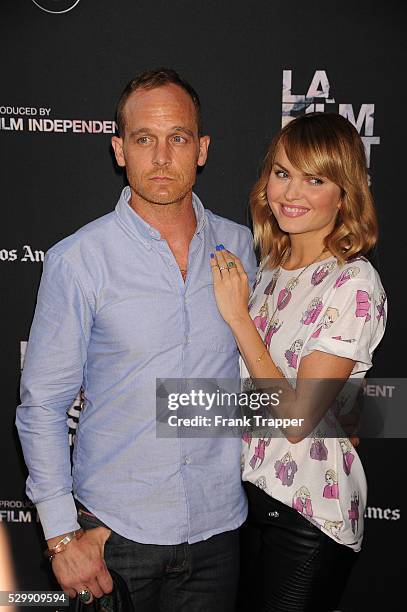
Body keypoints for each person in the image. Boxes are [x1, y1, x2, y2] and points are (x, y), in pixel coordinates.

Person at [16, 68, 257, 611]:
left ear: (203, 149)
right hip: (114, 539)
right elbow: (43, 407)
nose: (162, 156)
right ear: (119, 149)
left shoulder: (243, 248)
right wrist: (60, 535)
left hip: (221, 534)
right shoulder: (78, 261)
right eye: (144, 139)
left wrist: (335, 418)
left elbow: (266, 381)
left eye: (178, 137)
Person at [210, 112, 387, 611]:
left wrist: (237, 318)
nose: (291, 192)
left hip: (310, 517)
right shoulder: (266, 272)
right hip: (248, 499)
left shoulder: (353, 282)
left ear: (344, 193)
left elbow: (294, 420)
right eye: (283, 172)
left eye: (315, 179)